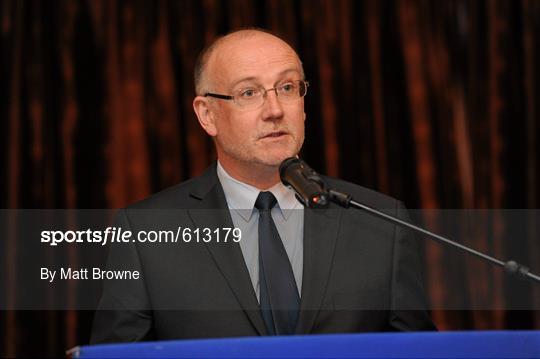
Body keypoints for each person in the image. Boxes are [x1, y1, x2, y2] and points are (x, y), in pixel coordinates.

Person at [90, 28, 435, 343]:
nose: (274, 110)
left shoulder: (380, 220)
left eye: (287, 88)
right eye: (249, 92)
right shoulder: (145, 231)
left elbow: (423, 352)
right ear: (207, 114)